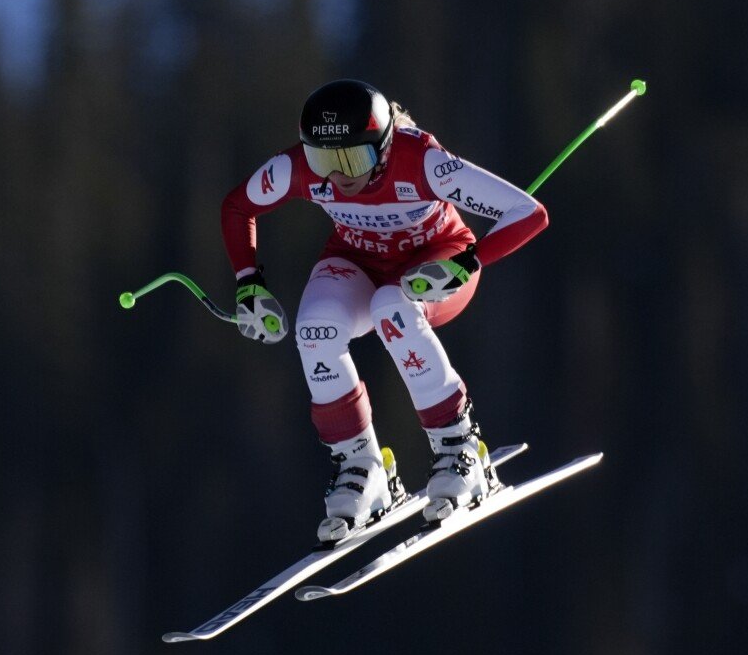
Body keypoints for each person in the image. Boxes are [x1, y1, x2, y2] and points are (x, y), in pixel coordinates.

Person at [221, 79, 550, 544]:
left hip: (435, 265)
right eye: (322, 160)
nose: (337, 177)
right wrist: (247, 284)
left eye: (353, 159)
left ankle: (460, 448)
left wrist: (466, 261)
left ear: (384, 143)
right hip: (359, 261)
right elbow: (238, 207)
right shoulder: (298, 169)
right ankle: (361, 466)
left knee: (391, 308)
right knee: (314, 328)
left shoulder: (422, 162)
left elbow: (528, 212)